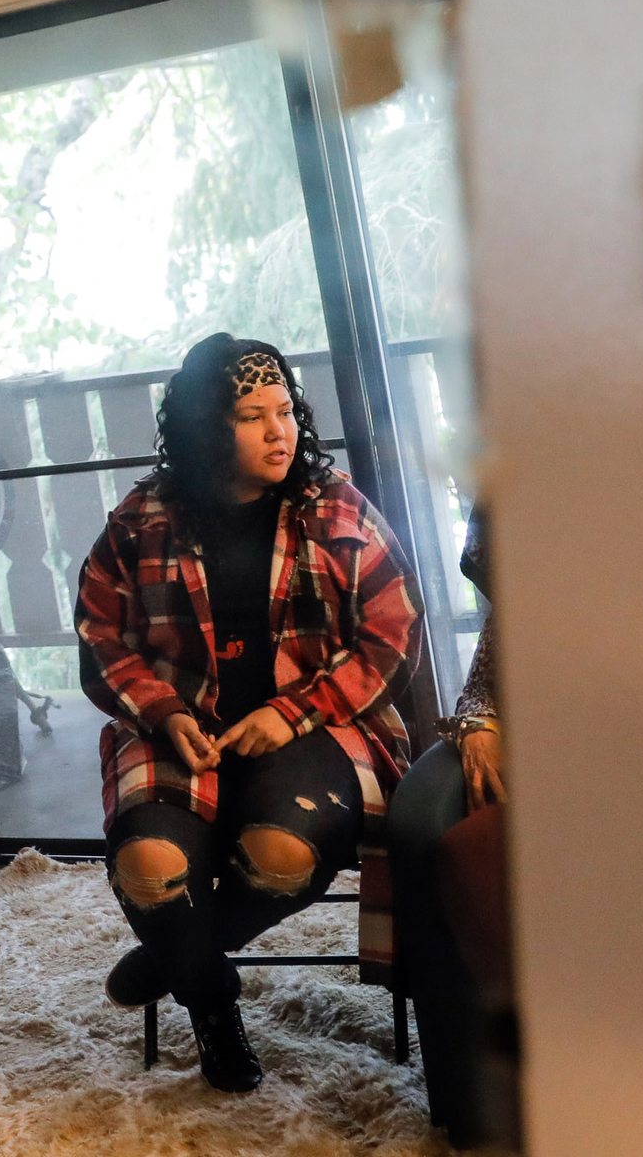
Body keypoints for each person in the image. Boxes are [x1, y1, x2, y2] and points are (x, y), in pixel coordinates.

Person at [75, 333, 435, 1092]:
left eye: (285, 411)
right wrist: (165, 712)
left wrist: (301, 708)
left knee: (283, 856)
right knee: (148, 867)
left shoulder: (333, 508)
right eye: (252, 416)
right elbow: (100, 636)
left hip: (317, 726)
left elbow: (394, 630)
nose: (281, 432)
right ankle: (210, 998)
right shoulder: (141, 520)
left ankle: (173, 956)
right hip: (178, 726)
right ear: (211, 428)